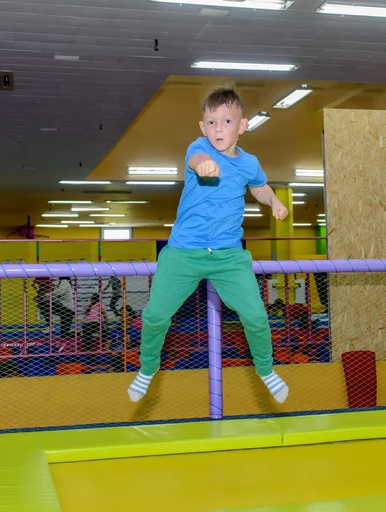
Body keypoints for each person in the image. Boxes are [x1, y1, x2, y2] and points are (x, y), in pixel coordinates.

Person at [128, 86, 290, 404]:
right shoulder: (199, 148)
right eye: (212, 122)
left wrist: (274, 202)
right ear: (203, 127)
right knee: (155, 315)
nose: (219, 129)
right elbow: (195, 159)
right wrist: (202, 164)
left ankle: (266, 369)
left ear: (242, 125)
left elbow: (260, 187)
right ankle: (147, 369)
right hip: (183, 252)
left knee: (256, 315)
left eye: (227, 121)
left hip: (228, 255)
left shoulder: (249, 163)